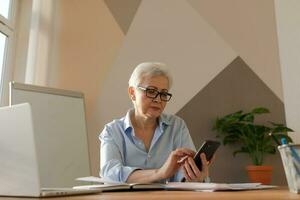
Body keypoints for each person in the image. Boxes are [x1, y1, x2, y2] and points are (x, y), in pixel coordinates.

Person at [99, 62, 212, 183]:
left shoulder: (177, 126)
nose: (158, 99)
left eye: (163, 94)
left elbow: (183, 177)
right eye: (151, 91)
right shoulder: (112, 131)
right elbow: (109, 174)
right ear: (132, 93)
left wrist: (198, 178)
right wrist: (160, 173)